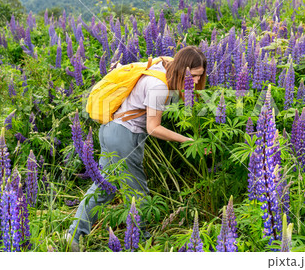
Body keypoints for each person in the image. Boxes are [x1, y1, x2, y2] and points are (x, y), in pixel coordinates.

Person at [66, 46, 207, 251]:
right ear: (182, 69)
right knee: (137, 193)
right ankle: (143, 244)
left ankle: (73, 235)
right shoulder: (158, 86)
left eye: (199, 77)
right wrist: (188, 141)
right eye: (193, 76)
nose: (195, 82)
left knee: (104, 188)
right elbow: (153, 127)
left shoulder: (164, 64)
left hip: (110, 130)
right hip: (125, 135)